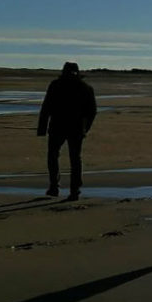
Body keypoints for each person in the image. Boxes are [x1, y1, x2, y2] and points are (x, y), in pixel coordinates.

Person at [37, 61, 97, 201]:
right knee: (73, 158)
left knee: (55, 156)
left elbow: (46, 108)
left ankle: (55, 187)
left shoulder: (56, 85)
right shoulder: (85, 87)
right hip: (73, 128)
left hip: (59, 127)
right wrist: (85, 128)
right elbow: (92, 112)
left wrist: (42, 129)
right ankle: (73, 190)